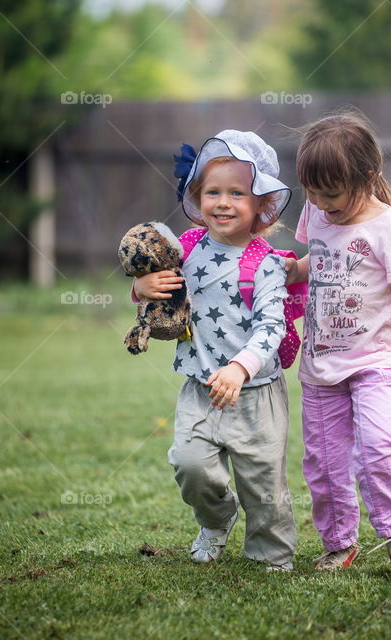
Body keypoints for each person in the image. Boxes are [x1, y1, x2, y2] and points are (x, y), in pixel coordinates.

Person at [285, 110, 391, 574]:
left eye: (331, 193)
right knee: (323, 462)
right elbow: (317, 258)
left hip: (377, 363)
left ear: (365, 177)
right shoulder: (318, 212)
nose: (321, 204)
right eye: (312, 192)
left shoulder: (390, 230)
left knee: (379, 445)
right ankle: (339, 543)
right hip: (321, 367)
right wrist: (292, 270)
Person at [132, 130, 297, 572]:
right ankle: (215, 517)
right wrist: (140, 286)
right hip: (200, 387)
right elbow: (158, 291)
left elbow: (270, 326)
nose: (223, 202)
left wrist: (240, 369)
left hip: (255, 391)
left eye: (237, 193)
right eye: (213, 192)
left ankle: (271, 552)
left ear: (260, 204)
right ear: (197, 197)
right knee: (190, 466)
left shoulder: (266, 263)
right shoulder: (184, 250)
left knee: (263, 482)